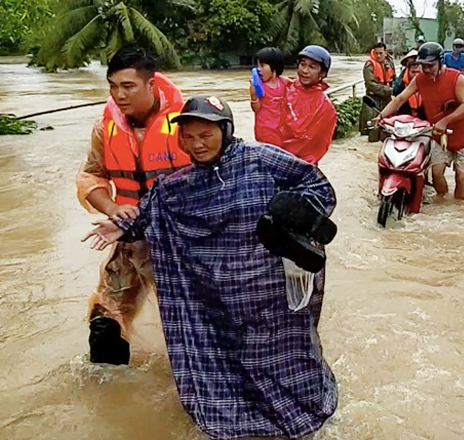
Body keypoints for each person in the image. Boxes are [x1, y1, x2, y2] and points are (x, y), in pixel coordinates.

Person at [83, 97, 339, 439]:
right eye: (188, 137)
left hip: (271, 294)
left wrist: (294, 218)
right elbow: (151, 212)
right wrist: (121, 226)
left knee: (284, 359)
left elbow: (318, 188)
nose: (196, 144)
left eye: (205, 134)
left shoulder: (263, 160)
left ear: (226, 130)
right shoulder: (179, 185)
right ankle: (240, 421)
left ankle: (303, 418)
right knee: (225, 361)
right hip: (216, 298)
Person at [75, 46, 192, 365]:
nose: (119, 95)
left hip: (181, 242)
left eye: (128, 86)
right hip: (128, 240)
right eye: (113, 86)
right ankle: (111, 399)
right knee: (105, 322)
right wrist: (112, 208)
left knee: (193, 323)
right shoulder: (105, 128)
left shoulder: (189, 124)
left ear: (151, 84)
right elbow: (92, 174)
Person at [378, 42, 464, 200]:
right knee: (436, 173)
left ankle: (459, 208)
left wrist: (445, 121)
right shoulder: (419, 80)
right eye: (423, 65)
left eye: (430, 66)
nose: (426, 70)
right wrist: (381, 116)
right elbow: (401, 98)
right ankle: (442, 202)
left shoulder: (456, 78)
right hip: (439, 135)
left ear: (440, 62)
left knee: (460, 176)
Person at [280, 45, 338, 165]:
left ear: (322, 72)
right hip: (274, 158)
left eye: (312, 67)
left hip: (302, 168)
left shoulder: (325, 107)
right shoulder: (284, 88)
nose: (305, 71)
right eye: (303, 64)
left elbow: (317, 146)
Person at [250, 47, 290, 147]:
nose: (259, 69)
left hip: (282, 133)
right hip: (265, 134)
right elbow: (256, 109)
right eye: (257, 66)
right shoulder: (258, 87)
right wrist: (253, 95)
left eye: (262, 66)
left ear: (274, 67)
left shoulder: (285, 83)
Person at [392, 49, 424, 119]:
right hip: (405, 118)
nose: (415, 66)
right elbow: (397, 99)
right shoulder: (400, 84)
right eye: (412, 64)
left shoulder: (429, 81)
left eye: (418, 63)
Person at [363, 42, 396, 107]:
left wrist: (395, 89)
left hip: (388, 98)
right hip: (374, 99)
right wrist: (389, 90)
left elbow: (394, 78)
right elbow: (370, 84)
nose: (378, 56)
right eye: (376, 53)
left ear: (385, 53)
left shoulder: (390, 63)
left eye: (380, 53)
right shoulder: (369, 65)